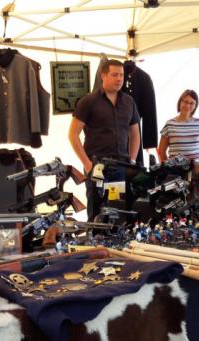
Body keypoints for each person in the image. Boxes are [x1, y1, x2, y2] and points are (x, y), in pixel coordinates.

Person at [68, 59, 141, 221]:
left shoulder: (129, 102)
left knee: (117, 210)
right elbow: (73, 135)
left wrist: (133, 160)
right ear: (103, 76)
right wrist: (87, 165)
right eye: (114, 75)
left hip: (121, 165)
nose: (119, 79)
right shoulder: (88, 101)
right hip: (97, 165)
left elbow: (135, 133)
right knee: (96, 212)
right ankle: (95, 243)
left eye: (121, 75)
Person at [157, 89, 199, 174]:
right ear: (180, 102)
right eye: (185, 102)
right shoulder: (169, 124)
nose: (187, 105)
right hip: (176, 172)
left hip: (196, 172)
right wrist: (168, 169)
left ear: (195, 106)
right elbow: (161, 151)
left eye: (191, 103)